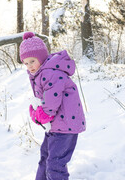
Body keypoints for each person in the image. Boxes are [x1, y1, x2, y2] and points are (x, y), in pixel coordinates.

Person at [19, 31, 86, 180]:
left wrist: (44, 114)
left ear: (41, 57)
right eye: (26, 62)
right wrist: (36, 110)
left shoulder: (51, 73)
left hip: (65, 126)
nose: (29, 66)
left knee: (55, 164)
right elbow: (43, 99)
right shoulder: (41, 73)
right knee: (46, 157)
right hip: (57, 126)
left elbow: (52, 100)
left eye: (32, 61)